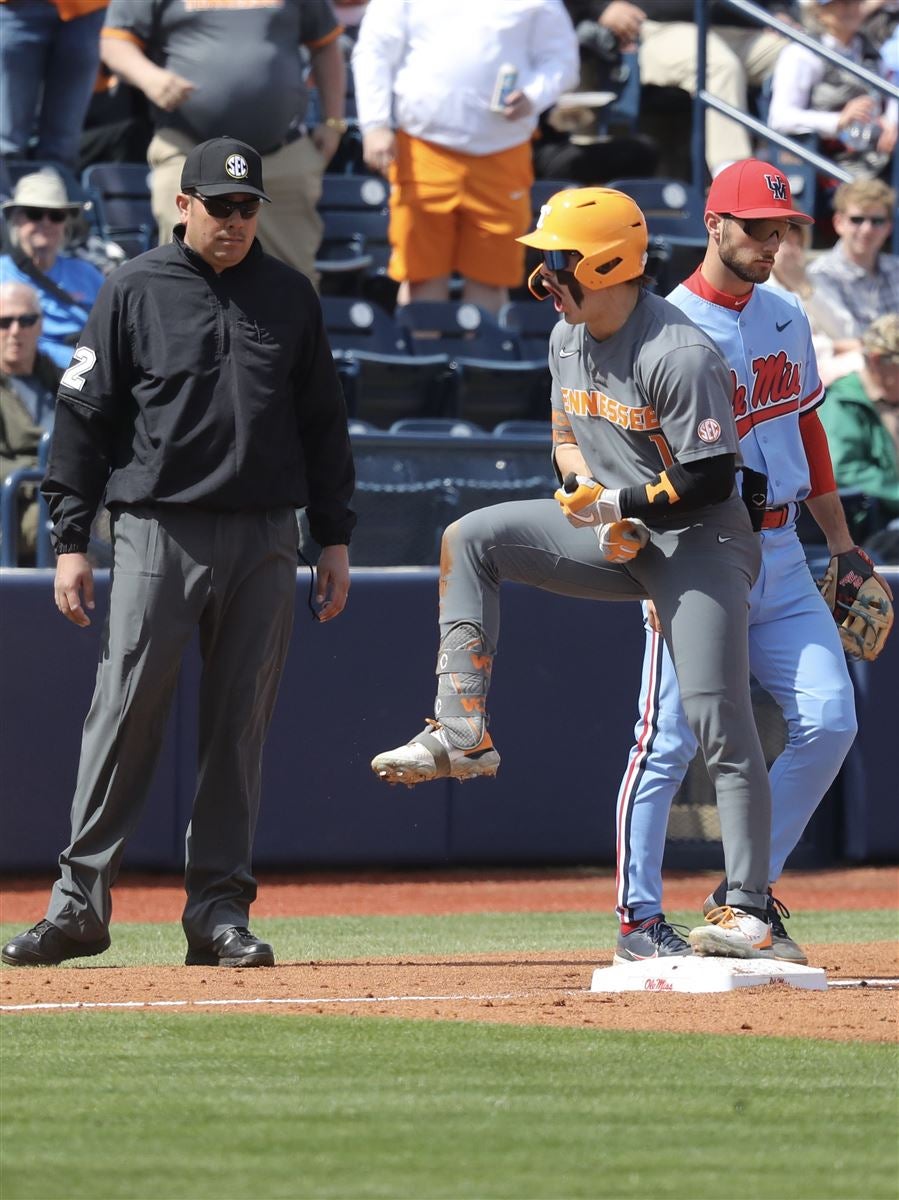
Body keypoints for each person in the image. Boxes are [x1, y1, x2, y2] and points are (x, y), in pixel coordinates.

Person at [371, 186, 776, 960]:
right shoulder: (568, 339)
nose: (542, 277)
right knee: (470, 538)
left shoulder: (677, 352)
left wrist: (619, 506)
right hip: (617, 528)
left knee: (715, 718)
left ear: (605, 263)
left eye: (555, 261)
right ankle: (460, 733)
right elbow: (566, 438)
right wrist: (582, 494)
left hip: (700, 541)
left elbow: (710, 479)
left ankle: (748, 905)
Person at [0, 137, 355, 970]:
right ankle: (78, 909)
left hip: (267, 531)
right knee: (122, 719)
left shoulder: (289, 296)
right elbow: (82, 419)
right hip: (159, 528)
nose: (234, 221)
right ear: (182, 205)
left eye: (246, 207)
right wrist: (69, 541)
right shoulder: (132, 289)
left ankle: (218, 915)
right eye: (218, 206)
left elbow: (323, 426)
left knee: (238, 731)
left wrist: (332, 535)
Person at [612, 158, 889, 967]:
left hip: (781, 547)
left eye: (782, 229)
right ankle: (636, 914)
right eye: (756, 227)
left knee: (830, 720)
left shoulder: (785, 313)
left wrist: (839, 542)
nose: (772, 242)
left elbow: (806, 429)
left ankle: (745, 897)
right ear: (713, 224)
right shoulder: (660, 327)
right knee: (665, 741)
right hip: (694, 554)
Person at [351, 0, 580, 314]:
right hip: (422, 150)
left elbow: (562, 61)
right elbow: (374, 50)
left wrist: (534, 95)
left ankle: (482, 363)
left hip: (502, 153)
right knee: (421, 277)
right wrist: (375, 124)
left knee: (490, 280)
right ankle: (422, 362)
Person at [99, 0, 347, 281]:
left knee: (290, 285)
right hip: (188, 153)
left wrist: (333, 122)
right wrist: (150, 77)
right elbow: (114, 42)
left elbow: (325, 43)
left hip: (279, 158)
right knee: (183, 280)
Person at [622, 0, 794, 178]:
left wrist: (778, 10)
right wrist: (603, 7)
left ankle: (792, 168)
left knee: (799, 54)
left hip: (739, 25)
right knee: (718, 66)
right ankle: (733, 180)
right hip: (661, 26)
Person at [768, 0, 898, 176]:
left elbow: (892, 90)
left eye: (854, 2)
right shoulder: (802, 53)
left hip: (878, 157)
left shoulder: (870, 48)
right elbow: (781, 118)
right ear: (818, 12)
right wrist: (839, 120)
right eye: (841, 3)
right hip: (829, 164)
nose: (851, 9)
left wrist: (891, 121)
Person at [0, 168, 105, 370]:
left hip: (90, 375)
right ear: (16, 219)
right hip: (30, 376)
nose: (46, 223)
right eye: (35, 214)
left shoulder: (86, 273)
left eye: (56, 216)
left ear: (65, 223)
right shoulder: (2, 274)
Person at [0, 0, 108, 170]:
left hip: (87, 10)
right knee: (6, 144)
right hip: (14, 8)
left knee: (62, 150)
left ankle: (53, 191)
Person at [0, 280, 61, 562]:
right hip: (21, 504)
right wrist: (47, 474)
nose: (15, 332)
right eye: (4, 322)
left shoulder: (60, 380)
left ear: (40, 325)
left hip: (77, 490)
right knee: (64, 526)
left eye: (26, 320)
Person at [818, 311, 899, 519]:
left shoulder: (892, 394)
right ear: (876, 360)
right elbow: (845, 469)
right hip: (876, 520)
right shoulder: (843, 402)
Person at [807, 177, 899, 347]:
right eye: (857, 220)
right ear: (838, 222)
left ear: (889, 227)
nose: (867, 229)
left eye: (877, 221)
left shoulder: (896, 268)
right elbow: (842, 339)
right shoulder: (819, 275)